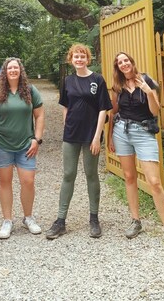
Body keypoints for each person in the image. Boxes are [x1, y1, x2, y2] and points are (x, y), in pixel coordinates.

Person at [108, 51, 164, 248]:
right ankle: (136, 221)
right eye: (120, 62)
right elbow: (112, 113)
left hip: (143, 133)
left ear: (132, 62)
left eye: (126, 60)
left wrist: (148, 92)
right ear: (118, 67)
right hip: (122, 132)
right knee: (129, 177)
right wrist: (109, 138)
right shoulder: (117, 87)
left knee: (154, 182)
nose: (124, 64)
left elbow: (155, 110)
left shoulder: (147, 80)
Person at [46, 43, 112, 240]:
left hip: (91, 134)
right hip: (71, 134)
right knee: (68, 174)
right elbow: (65, 105)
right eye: (76, 56)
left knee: (91, 174)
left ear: (87, 59)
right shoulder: (68, 80)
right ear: (71, 59)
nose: (79, 59)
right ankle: (60, 221)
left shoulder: (97, 80)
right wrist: (66, 123)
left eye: (82, 56)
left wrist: (96, 137)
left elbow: (103, 109)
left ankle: (94, 218)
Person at [0, 57, 45, 239]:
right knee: (5, 182)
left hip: (26, 144)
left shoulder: (29, 91)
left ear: (20, 70)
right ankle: (7, 220)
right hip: (2, 143)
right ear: (5, 71)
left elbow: (40, 115)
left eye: (16, 68)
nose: (13, 70)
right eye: (9, 68)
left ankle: (28, 217)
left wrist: (37, 139)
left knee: (28, 181)